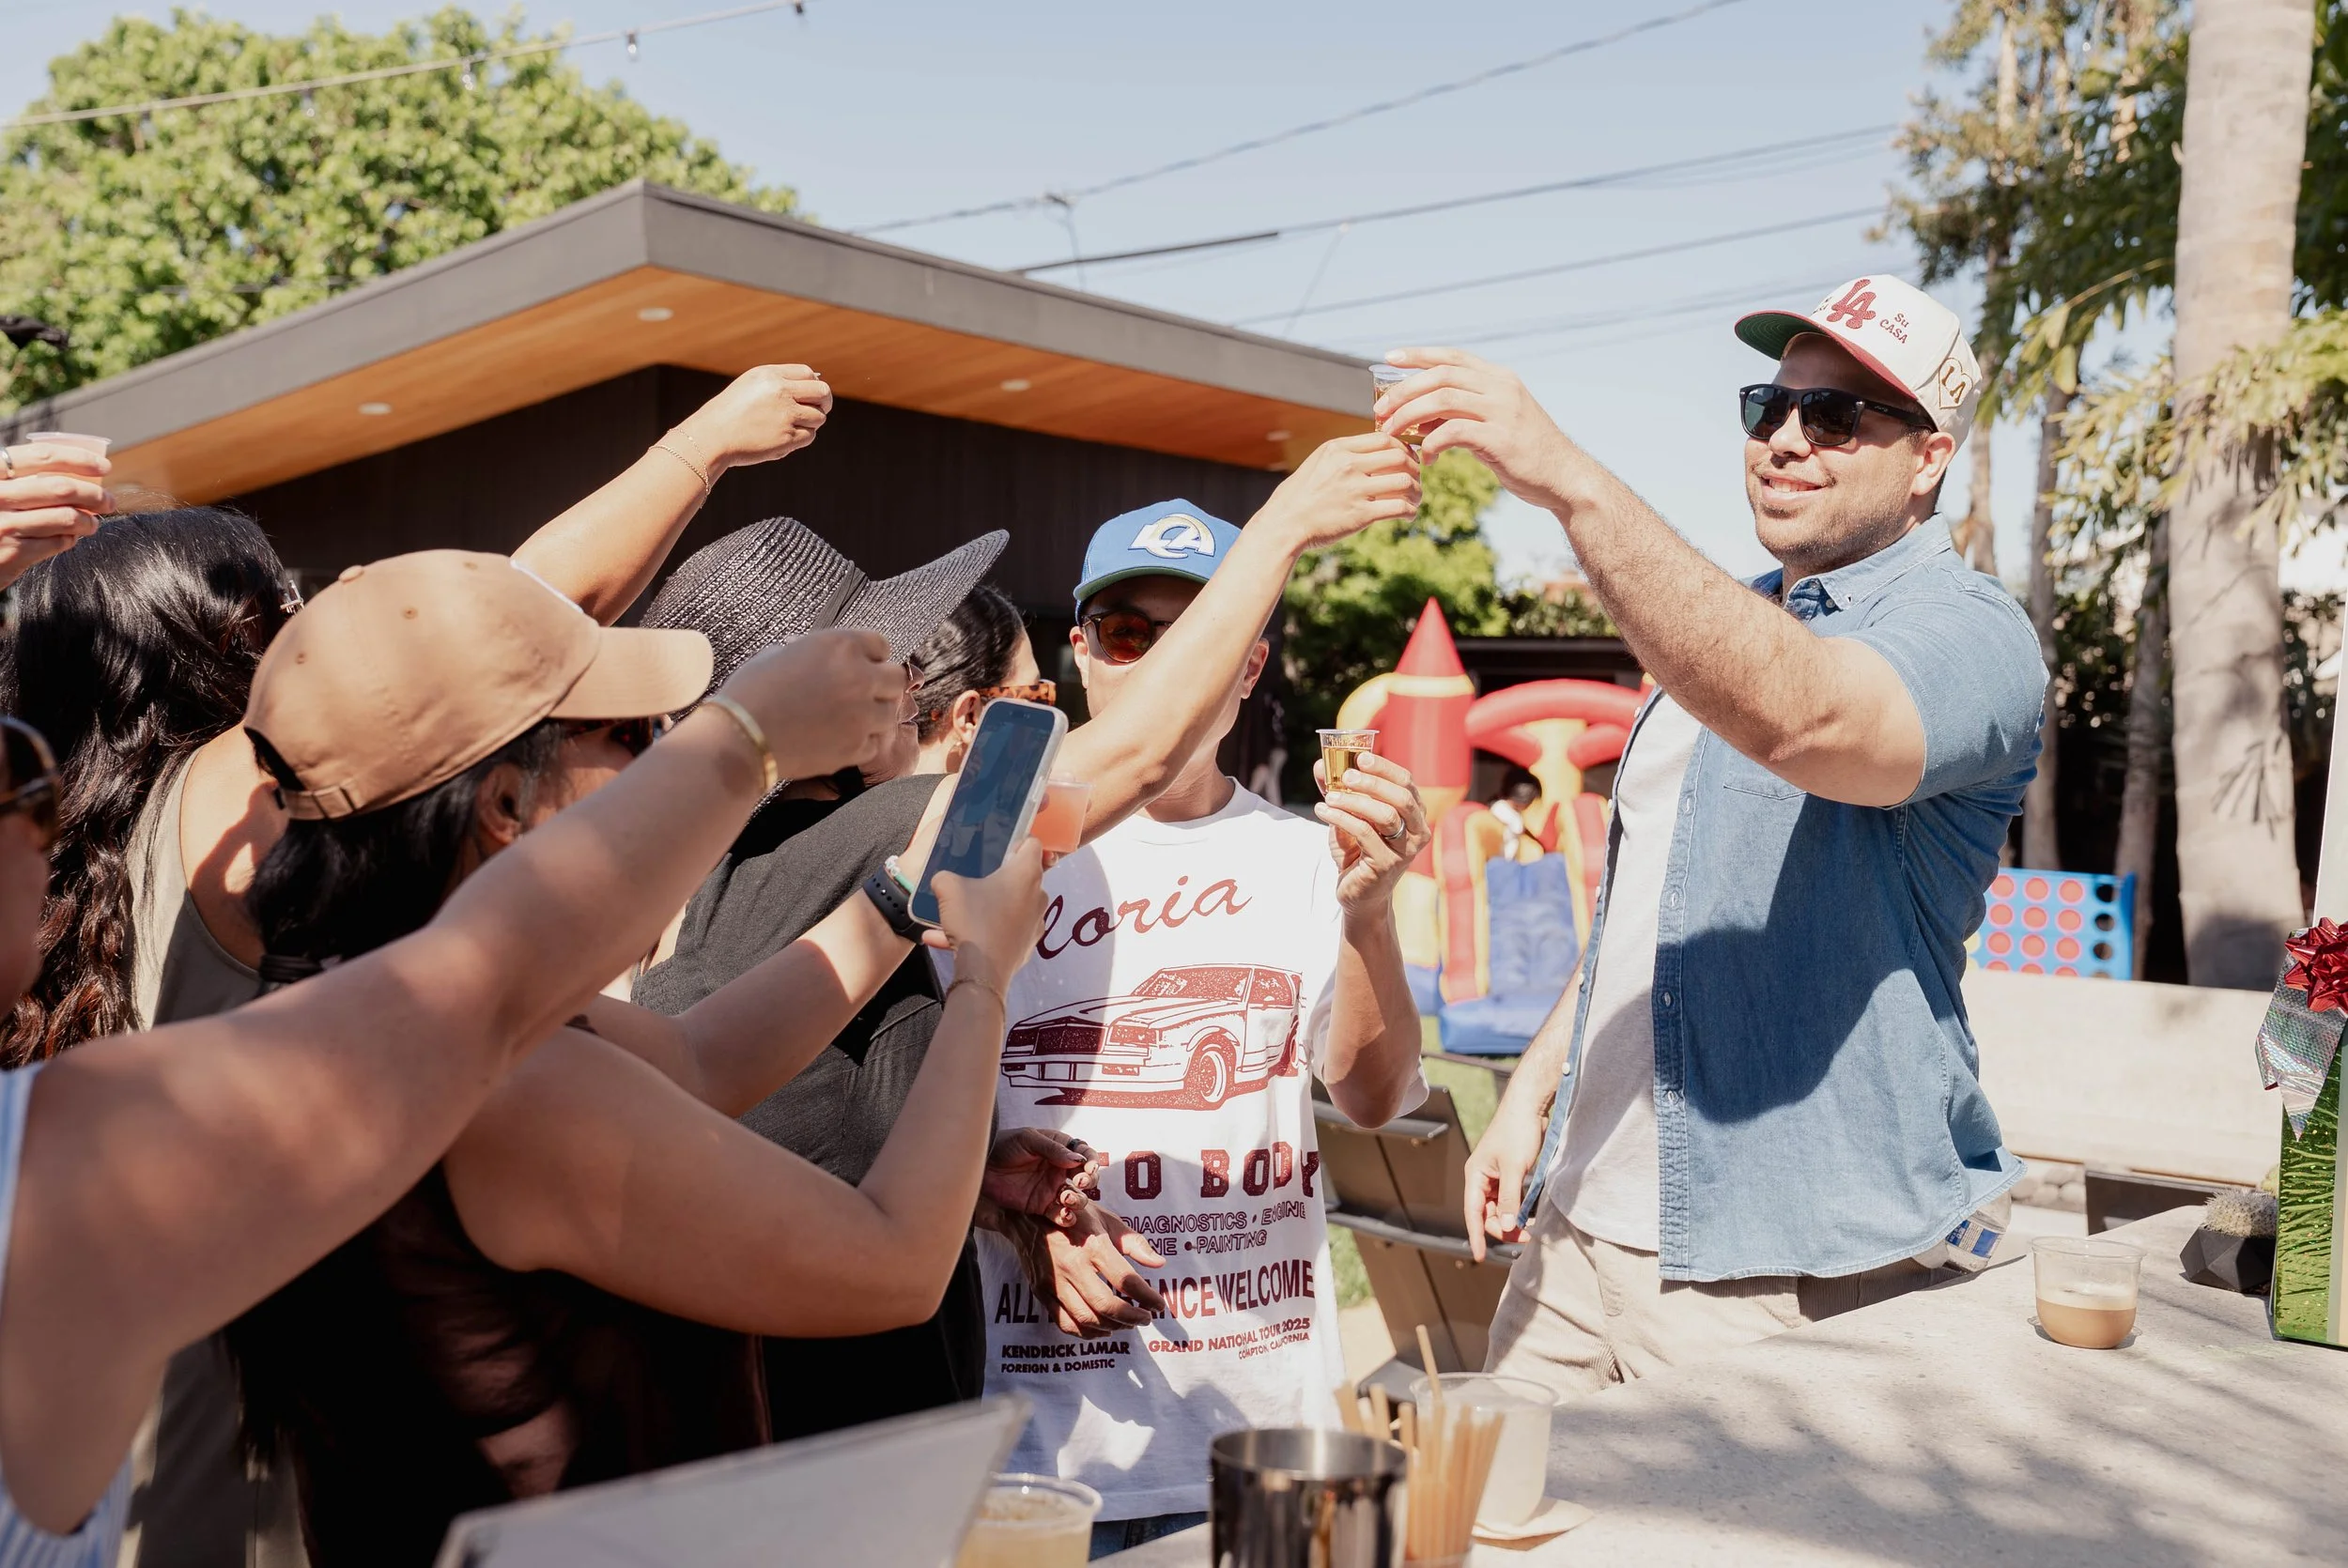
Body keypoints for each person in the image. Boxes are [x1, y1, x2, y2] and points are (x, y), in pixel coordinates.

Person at [0, 367, 833, 1568]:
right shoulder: (234, 809)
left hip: (94, 1493)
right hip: (269, 1511)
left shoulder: (76, 875)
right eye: (276, 615)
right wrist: (697, 456)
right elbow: (504, 630)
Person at [222, 551, 1055, 1568]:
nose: (654, 758)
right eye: (626, 735)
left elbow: (698, 1059)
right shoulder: (517, 1093)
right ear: (502, 806)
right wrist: (984, 981)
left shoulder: (363, 1010)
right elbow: (890, 1265)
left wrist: (898, 901)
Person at [631, 438, 1421, 1450]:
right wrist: (1285, 524)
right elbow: (1135, 754)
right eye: (874, 656)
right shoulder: (891, 831)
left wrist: (983, 1182)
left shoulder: (714, 872)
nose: (898, 679)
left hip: (785, 1415)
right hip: (879, 1424)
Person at [1378, 276, 2044, 1397]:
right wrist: (1537, 1091)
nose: (1784, 439)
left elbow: (1807, 718)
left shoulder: (1970, 634)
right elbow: (1658, 901)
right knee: (1487, 1521)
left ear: (1928, 457)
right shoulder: (1727, 620)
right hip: (1579, 1222)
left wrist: (1571, 481)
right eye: (1765, 407)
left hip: (1775, 1260)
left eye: (1832, 417)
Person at [978, 500, 1435, 1560]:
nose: (1163, 665)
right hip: (1038, 1450)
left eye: (1204, 637)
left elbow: (1372, 1097)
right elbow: (878, 1124)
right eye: (1132, 633)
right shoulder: (999, 841)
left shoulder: (1301, 853)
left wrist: (1368, 912)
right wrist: (998, 1207)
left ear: (1249, 665)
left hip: (1264, 1429)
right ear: (1083, 651)